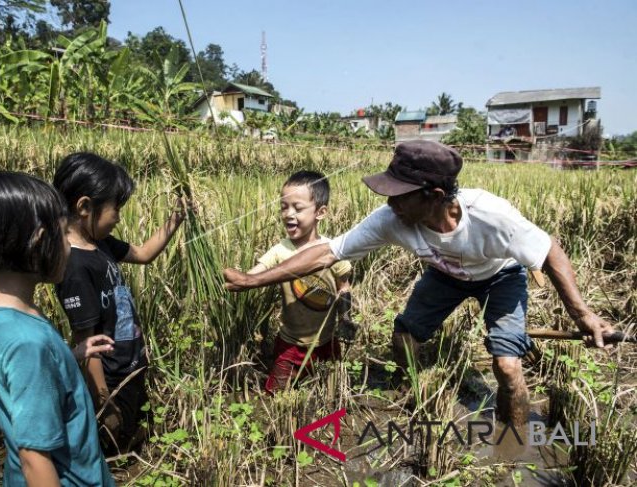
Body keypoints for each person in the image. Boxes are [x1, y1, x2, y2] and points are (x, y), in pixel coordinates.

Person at [224, 140, 613, 424]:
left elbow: (551, 252)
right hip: (445, 275)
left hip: (500, 276)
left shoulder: (492, 216)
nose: (390, 203)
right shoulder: (391, 218)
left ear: (436, 196)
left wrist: (583, 315)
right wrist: (251, 280)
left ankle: (515, 436)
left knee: (507, 367)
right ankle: (418, 388)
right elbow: (328, 252)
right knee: (403, 336)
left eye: (399, 195)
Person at [0, 172, 115, 486]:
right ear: (41, 240)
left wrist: (66, 357)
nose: (70, 246)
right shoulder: (30, 343)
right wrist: (44, 359)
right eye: (65, 234)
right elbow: (34, 461)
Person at [53, 152, 188, 452]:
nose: (118, 217)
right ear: (85, 206)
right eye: (116, 208)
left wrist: (176, 218)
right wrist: (104, 400)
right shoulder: (74, 267)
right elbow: (86, 343)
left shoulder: (99, 243)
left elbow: (143, 254)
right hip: (112, 380)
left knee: (137, 438)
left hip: (131, 366)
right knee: (115, 447)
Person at [241, 170, 355, 393]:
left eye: (298, 208)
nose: (288, 214)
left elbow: (344, 287)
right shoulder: (280, 250)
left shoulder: (332, 251)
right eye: (284, 207)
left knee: (332, 394)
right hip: (290, 343)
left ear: (320, 213)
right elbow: (253, 276)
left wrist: (346, 318)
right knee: (276, 394)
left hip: (326, 342)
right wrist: (237, 279)